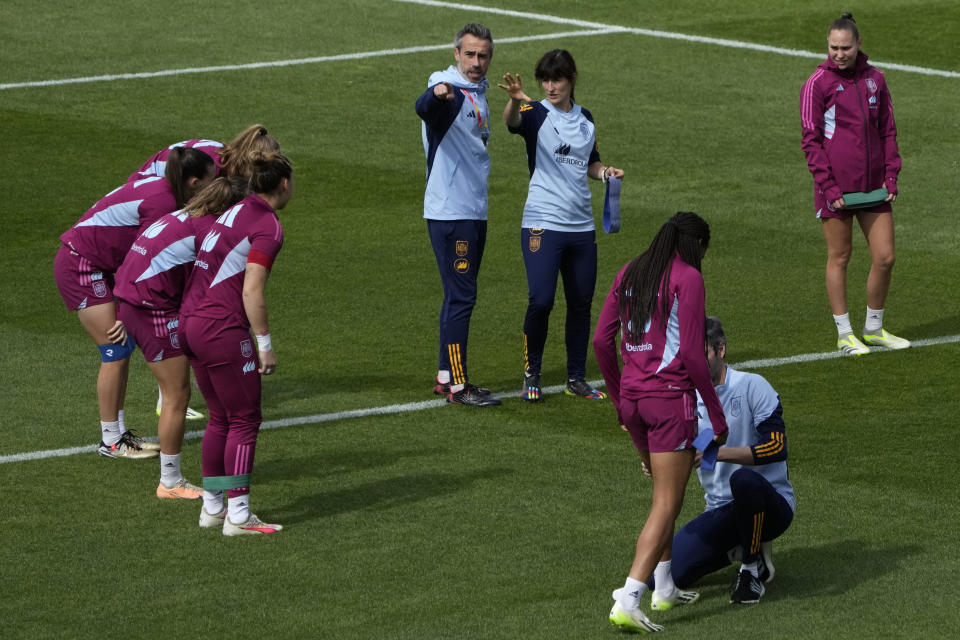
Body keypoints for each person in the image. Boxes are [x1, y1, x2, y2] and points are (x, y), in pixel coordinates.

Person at [593, 211, 729, 633]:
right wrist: (717, 413)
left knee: (663, 492)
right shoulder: (687, 278)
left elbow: (601, 341)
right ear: (695, 245)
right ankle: (631, 596)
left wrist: (620, 399)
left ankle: (665, 586)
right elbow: (691, 355)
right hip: (669, 402)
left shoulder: (631, 271)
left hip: (635, 402)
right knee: (667, 502)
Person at [54, 147, 216, 459]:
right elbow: (141, 259)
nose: (216, 184)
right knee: (115, 348)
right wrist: (126, 309)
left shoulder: (165, 189)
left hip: (95, 263)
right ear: (195, 182)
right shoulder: (163, 203)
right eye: (212, 179)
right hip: (81, 265)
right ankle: (111, 441)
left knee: (121, 346)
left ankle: (117, 436)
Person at [499, 50, 624, 402]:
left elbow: (591, 162)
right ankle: (532, 373)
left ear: (572, 80)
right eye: (545, 79)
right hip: (542, 222)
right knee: (541, 300)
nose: (550, 86)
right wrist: (513, 101)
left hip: (581, 226)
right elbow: (511, 124)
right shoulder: (535, 112)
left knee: (581, 303)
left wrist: (606, 174)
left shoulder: (586, 119)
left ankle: (576, 378)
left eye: (557, 79)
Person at [114, 177, 250, 498]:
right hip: (152, 310)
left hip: (133, 301)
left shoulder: (182, 215)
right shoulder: (210, 234)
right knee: (177, 395)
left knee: (178, 387)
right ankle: (170, 482)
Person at [180, 151, 293, 535]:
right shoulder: (267, 226)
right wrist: (264, 343)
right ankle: (239, 516)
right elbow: (252, 291)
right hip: (221, 330)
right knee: (245, 419)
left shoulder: (234, 210)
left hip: (191, 323)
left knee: (221, 419)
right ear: (284, 184)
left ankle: (213, 507)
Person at [135, 126, 283, 420]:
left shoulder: (225, 167)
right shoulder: (211, 169)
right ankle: (167, 396)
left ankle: (171, 392)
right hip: (157, 205)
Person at [644, 317, 795, 606]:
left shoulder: (752, 385)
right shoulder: (688, 400)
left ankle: (751, 572)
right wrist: (658, 462)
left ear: (720, 350)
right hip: (721, 511)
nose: (694, 364)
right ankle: (741, 549)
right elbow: (688, 451)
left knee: (744, 481)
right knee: (658, 577)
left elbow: (777, 447)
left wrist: (716, 453)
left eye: (701, 354)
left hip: (772, 504)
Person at [800, 12, 909, 356]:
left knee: (886, 257)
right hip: (837, 190)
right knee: (840, 257)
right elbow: (811, 141)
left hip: (875, 186)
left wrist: (891, 174)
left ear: (859, 44)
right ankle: (845, 334)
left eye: (845, 47)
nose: (839, 54)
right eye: (834, 47)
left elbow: (888, 130)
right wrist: (830, 189)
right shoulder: (817, 83)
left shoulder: (876, 79)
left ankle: (874, 329)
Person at [415, 23, 500, 407]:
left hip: (472, 210)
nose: (476, 62)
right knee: (462, 297)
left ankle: (445, 375)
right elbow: (424, 105)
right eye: (470, 54)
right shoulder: (447, 87)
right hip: (452, 212)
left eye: (483, 55)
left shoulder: (479, 94)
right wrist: (437, 94)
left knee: (457, 296)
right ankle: (458, 386)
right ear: (456, 54)